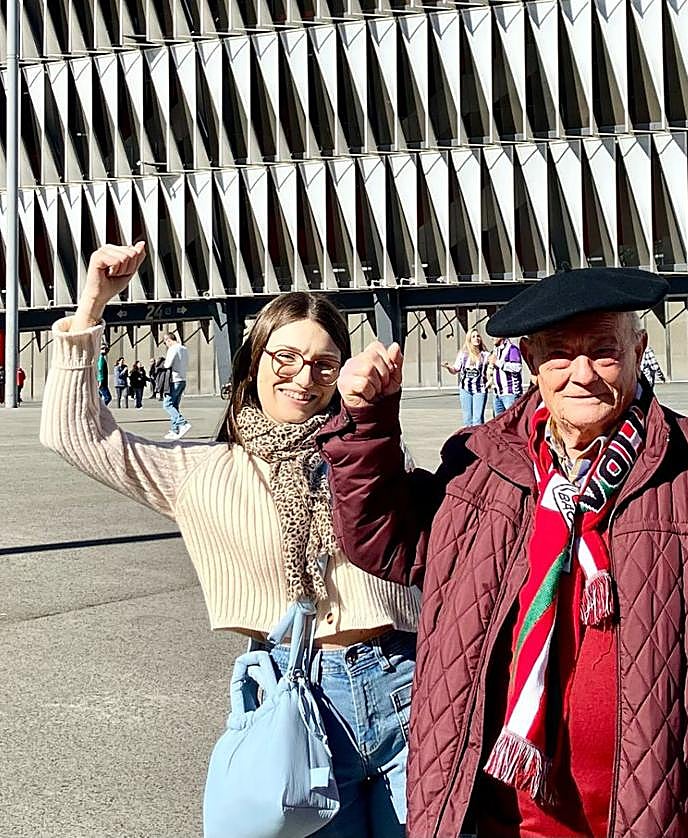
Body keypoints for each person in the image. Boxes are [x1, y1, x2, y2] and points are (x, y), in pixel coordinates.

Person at [319, 267, 688, 838]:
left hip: (654, 818)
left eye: (603, 351)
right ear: (530, 360)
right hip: (494, 820)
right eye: (559, 354)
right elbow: (387, 542)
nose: (582, 374)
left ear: (639, 349)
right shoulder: (481, 466)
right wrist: (369, 426)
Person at [41, 241, 421, 837]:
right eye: (286, 358)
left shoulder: (367, 454)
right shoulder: (200, 470)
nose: (305, 377)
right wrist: (91, 308)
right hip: (298, 699)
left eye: (325, 364)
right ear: (253, 363)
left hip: (407, 680)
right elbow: (74, 435)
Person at [443, 329, 488, 427]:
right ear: (469, 340)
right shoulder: (463, 354)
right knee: (467, 419)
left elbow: (491, 369)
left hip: (480, 389)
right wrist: (448, 367)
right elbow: (455, 369)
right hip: (465, 389)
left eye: (478, 336)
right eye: (473, 337)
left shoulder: (485, 355)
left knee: (477, 419)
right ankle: (468, 440)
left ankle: (477, 440)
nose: (476, 338)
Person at [160, 330, 191, 439]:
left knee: (167, 405)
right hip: (182, 379)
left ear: (168, 340)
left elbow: (168, 364)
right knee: (175, 405)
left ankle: (182, 423)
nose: (165, 345)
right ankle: (175, 430)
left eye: (165, 342)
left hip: (174, 380)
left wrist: (161, 365)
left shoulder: (173, 349)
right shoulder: (184, 348)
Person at [488, 335, 524, 418]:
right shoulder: (495, 350)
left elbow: (517, 367)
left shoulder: (512, 349)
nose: (492, 338)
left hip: (510, 393)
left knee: (512, 421)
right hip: (497, 393)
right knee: (498, 423)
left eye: (494, 336)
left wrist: (497, 362)